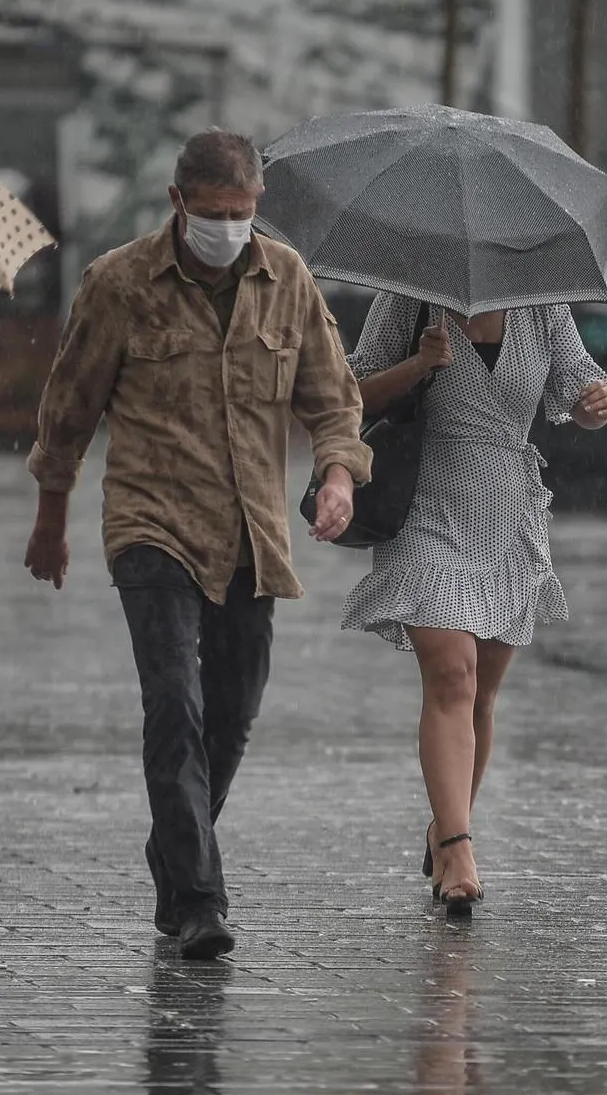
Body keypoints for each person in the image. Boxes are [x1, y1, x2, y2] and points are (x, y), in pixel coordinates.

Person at [24, 129, 371, 961]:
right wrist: (49, 519)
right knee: (172, 701)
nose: (228, 228)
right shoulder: (119, 283)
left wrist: (338, 477)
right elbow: (68, 409)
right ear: (177, 202)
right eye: (213, 213)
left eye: (242, 212)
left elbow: (333, 401)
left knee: (233, 713)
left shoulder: (286, 279)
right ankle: (198, 900)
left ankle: (175, 850)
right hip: (151, 523)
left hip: (251, 530)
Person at [342, 292, 607, 916]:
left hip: (507, 513)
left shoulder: (540, 302)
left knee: (481, 696)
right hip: (425, 507)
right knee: (451, 676)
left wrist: (595, 406)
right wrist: (418, 366)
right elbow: (349, 395)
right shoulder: (410, 296)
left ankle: (446, 827)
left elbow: (580, 389)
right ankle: (459, 847)